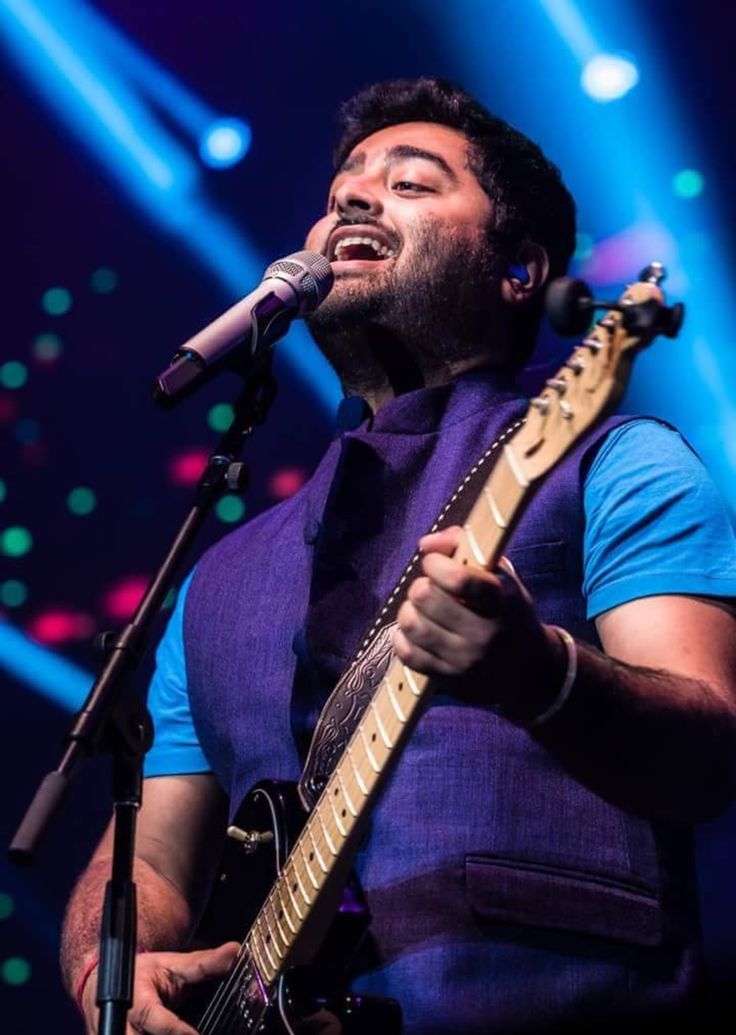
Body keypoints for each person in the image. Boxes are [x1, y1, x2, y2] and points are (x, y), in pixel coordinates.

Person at [61, 77, 736, 1034]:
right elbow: (153, 858)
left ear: (518, 271)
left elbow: (710, 754)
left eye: (413, 183)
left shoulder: (617, 460)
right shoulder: (218, 579)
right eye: (345, 182)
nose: (354, 196)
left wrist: (536, 672)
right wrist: (108, 972)